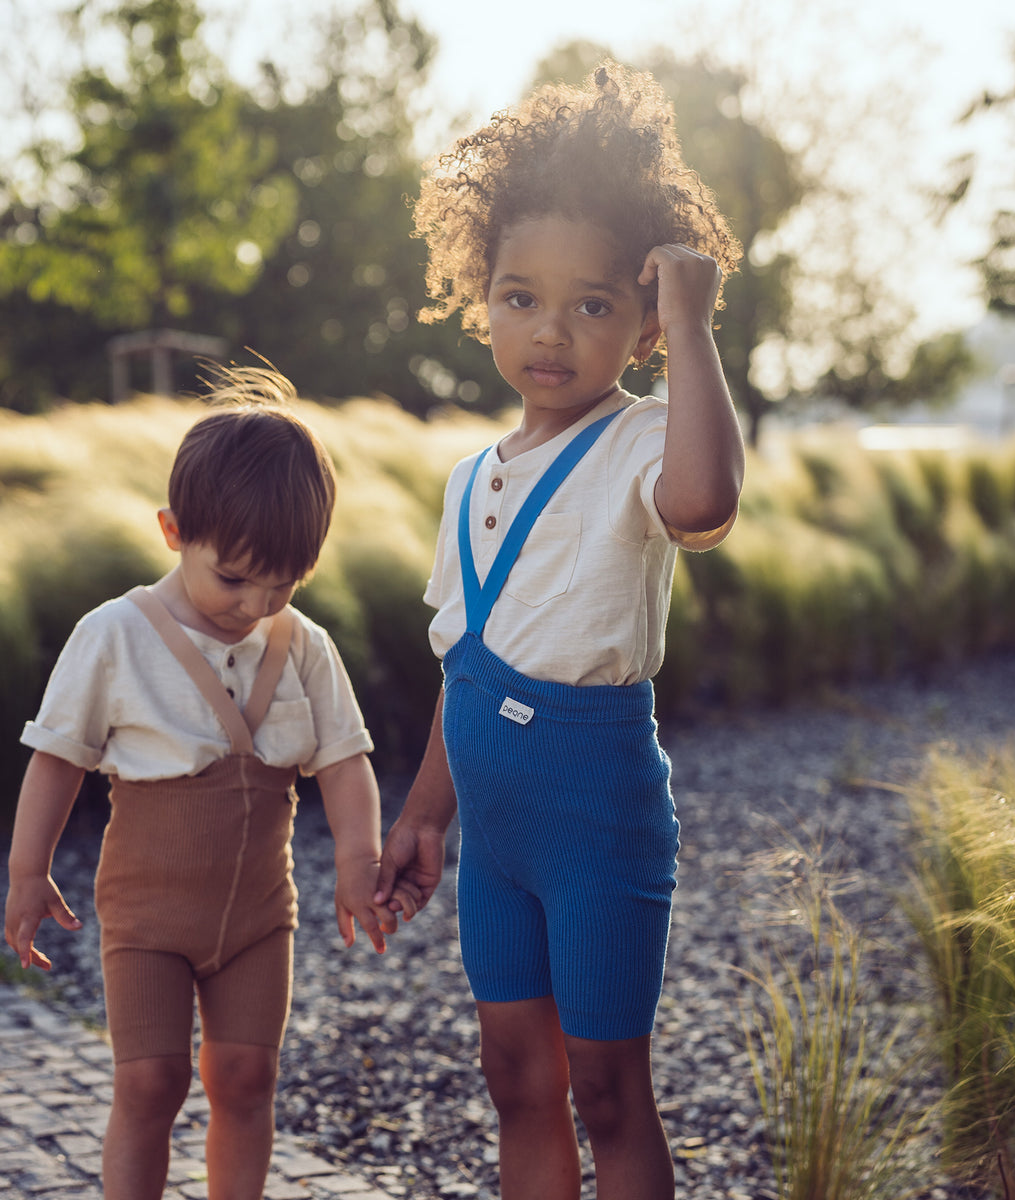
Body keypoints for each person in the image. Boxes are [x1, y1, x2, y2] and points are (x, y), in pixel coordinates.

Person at [374, 63, 745, 1200]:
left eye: (593, 303)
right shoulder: (466, 479)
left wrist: (691, 318)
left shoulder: (640, 443)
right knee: (516, 1083)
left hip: (597, 825)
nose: (550, 330)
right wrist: (426, 814)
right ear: (478, 299)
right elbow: (464, 662)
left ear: (638, 328)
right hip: (495, 837)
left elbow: (704, 504)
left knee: (606, 1088)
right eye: (519, 295)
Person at [4, 367, 396, 1200]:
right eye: (234, 578)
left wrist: (360, 859)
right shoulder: (114, 635)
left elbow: (345, 759)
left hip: (259, 916)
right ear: (173, 530)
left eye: (284, 584)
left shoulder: (305, 648)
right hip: (147, 917)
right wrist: (25, 872)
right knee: (152, 1084)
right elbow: (57, 756)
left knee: (248, 1077)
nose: (255, 604)